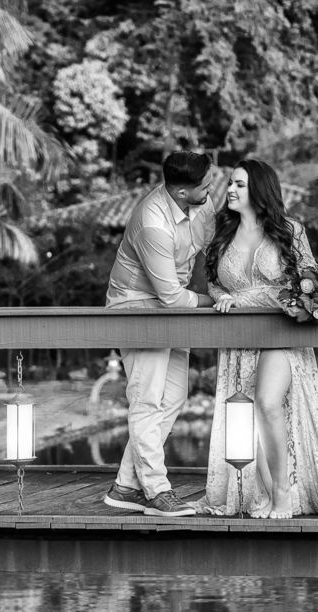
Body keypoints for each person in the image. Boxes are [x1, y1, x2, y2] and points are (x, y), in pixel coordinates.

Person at [194, 159, 318, 519]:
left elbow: (306, 280)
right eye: (230, 183)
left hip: (282, 333)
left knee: (266, 401)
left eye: (240, 184)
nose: (230, 190)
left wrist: (251, 299)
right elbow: (214, 283)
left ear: (260, 189)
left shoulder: (290, 230)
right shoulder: (222, 233)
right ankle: (262, 492)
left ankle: (282, 493)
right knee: (248, 412)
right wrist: (222, 297)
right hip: (240, 337)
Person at [103, 151, 218, 517]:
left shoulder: (200, 203)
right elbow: (170, 296)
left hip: (173, 309)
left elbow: (214, 246)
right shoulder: (152, 223)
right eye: (205, 186)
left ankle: (125, 486)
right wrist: (213, 300)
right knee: (147, 401)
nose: (211, 190)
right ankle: (156, 491)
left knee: (173, 397)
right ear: (182, 192)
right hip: (138, 309)